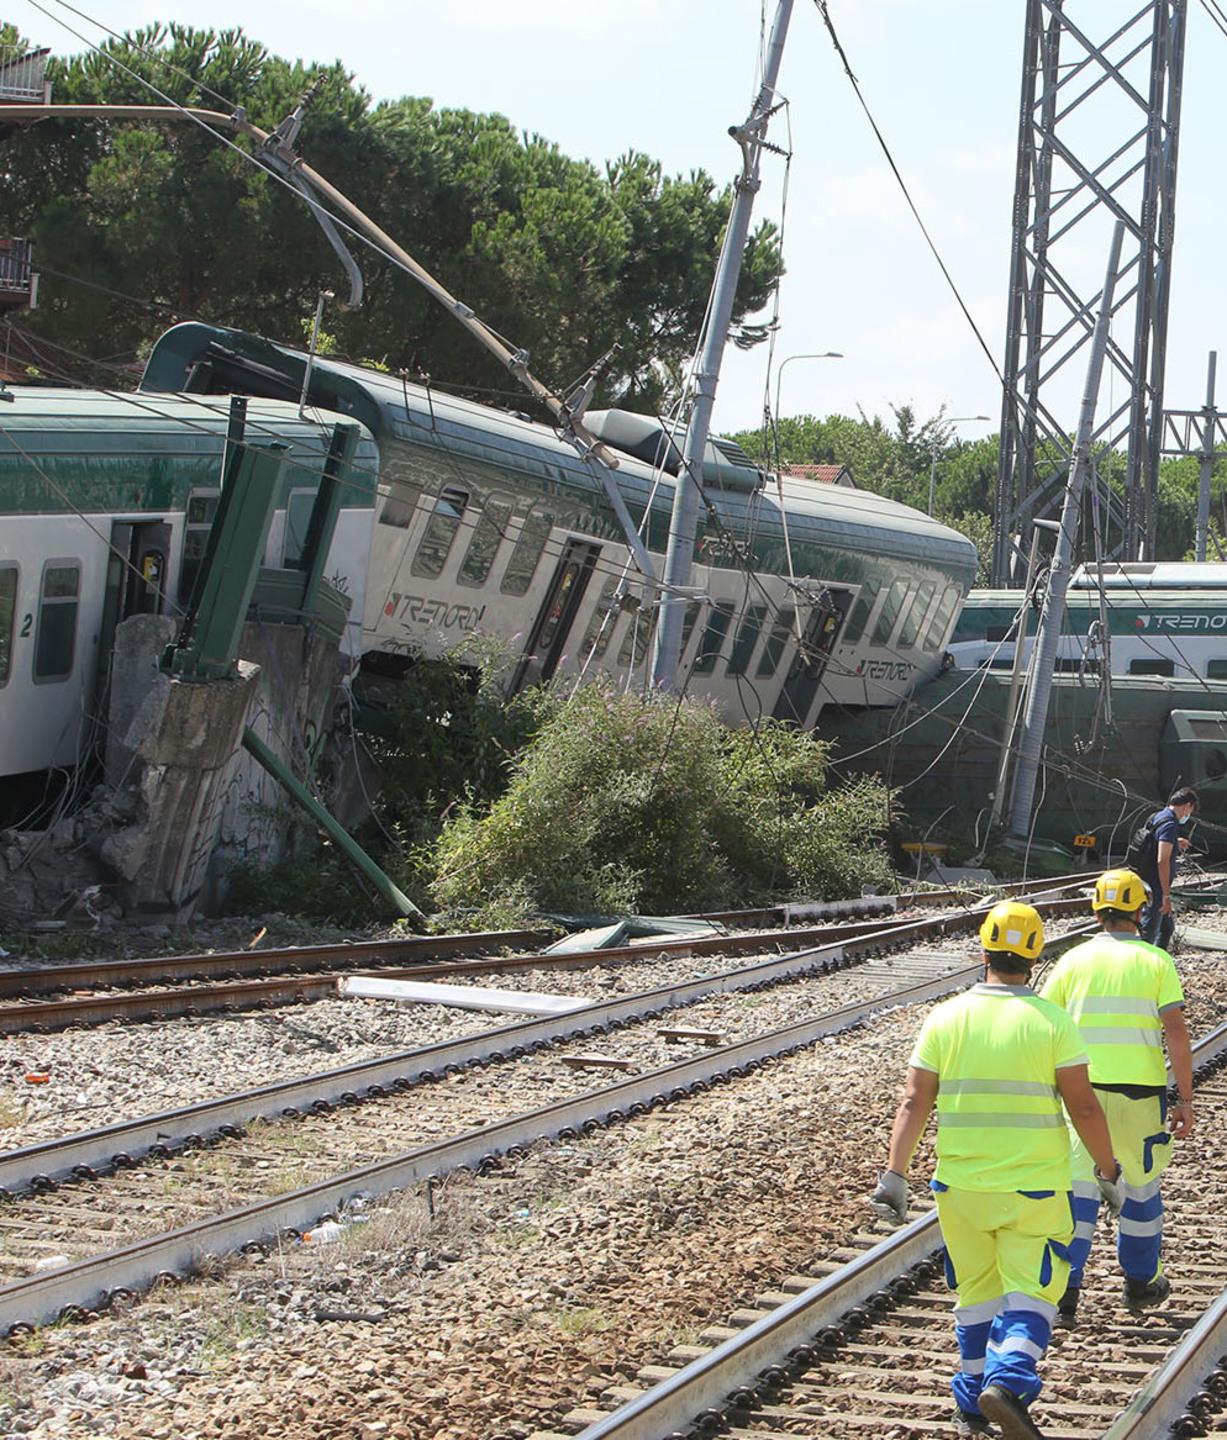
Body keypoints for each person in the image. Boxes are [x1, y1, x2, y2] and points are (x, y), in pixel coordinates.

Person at [872, 900, 1121, 1440]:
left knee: (976, 1294)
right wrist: (1107, 1169)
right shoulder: (1053, 1022)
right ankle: (1008, 1383)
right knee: (1034, 1291)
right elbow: (1083, 1107)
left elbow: (914, 1101)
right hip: (1033, 1187)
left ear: (983, 949)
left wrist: (895, 1173)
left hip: (959, 1187)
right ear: (1036, 954)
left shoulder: (946, 1016)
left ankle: (969, 1405)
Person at [1039, 868, 1194, 1324]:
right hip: (1138, 1099)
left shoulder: (1071, 961)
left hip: (1079, 1097)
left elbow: (1045, 1027)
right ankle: (1141, 1282)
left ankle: (1065, 1294)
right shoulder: (1156, 962)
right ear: (1140, 912)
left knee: (1079, 1190)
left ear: (1097, 911)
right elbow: (1177, 1034)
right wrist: (1184, 1098)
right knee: (1141, 1189)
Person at [1136, 787, 1198, 952]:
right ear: (1186, 806)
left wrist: (1175, 842)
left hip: (1147, 878)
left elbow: (1154, 841)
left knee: (1166, 929)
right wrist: (1166, 895)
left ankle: (1158, 962)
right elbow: (1162, 860)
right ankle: (1145, 966)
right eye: (1190, 810)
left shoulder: (1158, 816)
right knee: (1149, 933)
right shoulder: (1170, 824)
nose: (1188, 815)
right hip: (1156, 886)